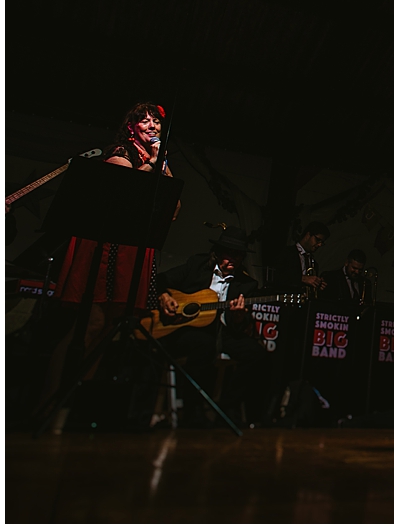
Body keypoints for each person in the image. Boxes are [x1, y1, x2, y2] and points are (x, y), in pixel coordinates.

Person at [35, 102, 178, 424]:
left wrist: (161, 166)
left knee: (109, 328)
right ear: (131, 126)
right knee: (90, 324)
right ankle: (51, 404)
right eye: (145, 120)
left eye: (156, 121)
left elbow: (172, 208)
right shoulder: (120, 153)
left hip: (133, 251)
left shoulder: (155, 159)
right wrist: (152, 166)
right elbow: (123, 197)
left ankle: (74, 405)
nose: (152, 126)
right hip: (105, 249)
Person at [156, 226, 270, 425]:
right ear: (218, 253)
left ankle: (225, 407)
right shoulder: (196, 265)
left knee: (257, 354)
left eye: (238, 255)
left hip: (223, 332)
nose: (232, 259)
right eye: (228, 253)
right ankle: (193, 410)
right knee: (204, 345)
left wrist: (238, 318)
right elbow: (160, 280)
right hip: (188, 327)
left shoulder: (247, 285)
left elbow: (240, 327)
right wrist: (164, 296)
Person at [273, 221, 330, 296]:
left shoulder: (314, 263)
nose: (319, 245)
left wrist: (317, 285)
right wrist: (302, 278)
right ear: (308, 235)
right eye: (317, 240)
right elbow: (276, 277)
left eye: (322, 243)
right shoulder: (286, 253)